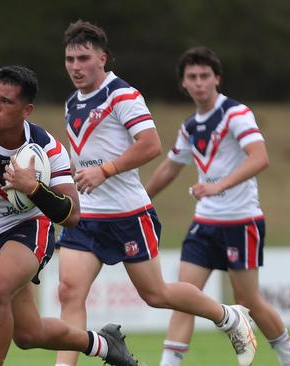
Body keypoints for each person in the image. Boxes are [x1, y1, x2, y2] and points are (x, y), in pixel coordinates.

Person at [55, 21, 258, 366]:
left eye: (84, 58)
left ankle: (228, 316)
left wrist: (105, 170)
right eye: (70, 59)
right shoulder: (73, 102)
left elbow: (151, 145)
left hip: (127, 213)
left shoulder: (123, 95)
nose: (76, 66)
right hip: (86, 214)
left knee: (156, 294)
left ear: (102, 58)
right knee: (68, 293)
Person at [0, 64, 138, 366]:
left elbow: (71, 214)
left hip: (28, 228)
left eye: (6, 102)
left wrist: (33, 188)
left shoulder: (48, 148)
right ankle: (104, 345)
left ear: (26, 110)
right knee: (29, 334)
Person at [145, 47, 290, 366]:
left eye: (206, 76)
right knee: (183, 297)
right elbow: (170, 167)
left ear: (217, 78)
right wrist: (140, 201)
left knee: (247, 300)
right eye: (192, 77)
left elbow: (260, 157)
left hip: (241, 221)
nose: (200, 82)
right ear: (183, 84)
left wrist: (219, 185)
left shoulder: (236, 114)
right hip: (205, 223)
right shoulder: (190, 126)